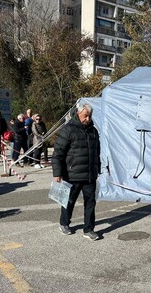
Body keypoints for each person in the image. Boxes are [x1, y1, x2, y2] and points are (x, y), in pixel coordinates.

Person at [52, 103, 101, 241]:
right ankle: (64, 223)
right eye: (85, 115)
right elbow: (58, 153)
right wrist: (57, 173)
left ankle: (89, 229)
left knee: (90, 202)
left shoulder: (94, 131)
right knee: (69, 201)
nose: (88, 118)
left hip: (90, 174)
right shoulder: (68, 130)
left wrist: (98, 168)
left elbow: (96, 152)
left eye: (90, 116)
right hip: (72, 174)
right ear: (78, 114)